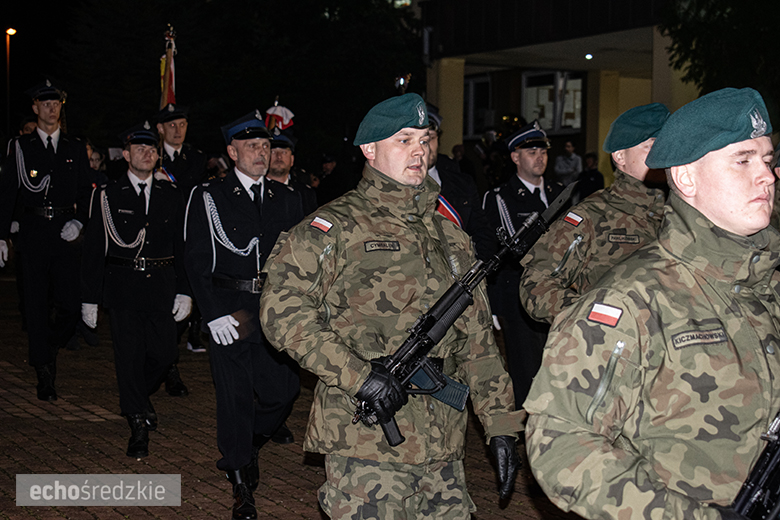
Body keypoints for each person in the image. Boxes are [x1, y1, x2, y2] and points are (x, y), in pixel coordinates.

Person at [259, 94, 523, 519]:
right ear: (369, 149)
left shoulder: (450, 236)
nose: (419, 150)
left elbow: (478, 342)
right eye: (404, 140)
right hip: (368, 443)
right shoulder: (334, 227)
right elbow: (282, 313)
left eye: (425, 139)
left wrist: (500, 425)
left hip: (443, 447)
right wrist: (359, 376)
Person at [525, 87, 777, 520]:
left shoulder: (765, 281)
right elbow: (562, 443)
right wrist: (583, 321)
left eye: (768, 160)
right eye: (743, 160)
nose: (768, 176)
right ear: (686, 178)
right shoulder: (623, 296)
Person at [184, 110, 304, 520]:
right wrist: (211, 313)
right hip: (230, 309)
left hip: (273, 309)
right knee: (234, 397)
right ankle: (238, 479)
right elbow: (198, 257)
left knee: (283, 391)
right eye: (252, 146)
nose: (261, 153)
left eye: (266, 146)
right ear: (232, 152)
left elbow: (301, 259)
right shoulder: (209, 195)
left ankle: (250, 441)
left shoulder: (287, 198)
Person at [81, 121, 191, 458]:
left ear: (157, 157)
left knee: (164, 354)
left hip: (161, 285)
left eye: (151, 149)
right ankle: (138, 421)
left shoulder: (172, 195)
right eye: (139, 149)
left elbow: (182, 246)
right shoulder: (108, 195)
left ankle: (137, 398)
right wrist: (89, 297)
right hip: (123, 287)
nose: (147, 153)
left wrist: (185, 290)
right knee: (128, 356)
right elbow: (94, 249)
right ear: (126, 155)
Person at [519, 103, 670, 324]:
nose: (663, 155)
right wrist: (600, 318)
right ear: (620, 156)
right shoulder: (592, 216)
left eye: (668, 147)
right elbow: (536, 287)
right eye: (652, 146)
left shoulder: (683, 213)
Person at [0, 80, 93, 401]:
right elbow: (8, 189)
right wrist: (2, 232)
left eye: (57, 104)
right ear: (35, 108)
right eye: (46, 103)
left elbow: (85, 190)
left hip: (66, 231)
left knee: (69, 304)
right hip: (34, 230)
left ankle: (49, 345)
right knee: (36, 302)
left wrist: (80, 221)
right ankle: (44, 368)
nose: (52, 108)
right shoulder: (21, 147)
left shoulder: (73, 146)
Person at [482, 120, 564, 406]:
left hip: (561, 295)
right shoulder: (500, 199)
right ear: (515, 157)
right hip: (521, 299)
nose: (539, 157)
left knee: (559, 367)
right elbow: (490, 252)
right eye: (531, 152)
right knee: (527, 372)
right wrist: (492, 301)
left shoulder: (560, 193)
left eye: (542, 151)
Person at [156, 103, 208, 393]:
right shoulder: (153, 156)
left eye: (183, 125)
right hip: (160, 239)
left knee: (183, 305)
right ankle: (166, 364)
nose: (178, 131)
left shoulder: (196, 158)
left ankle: (170, 364)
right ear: (161, 129)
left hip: (188, 237)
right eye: (172, 125)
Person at [426, 103, 493, 261]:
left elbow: (483, 234)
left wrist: (472, 273)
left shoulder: (462, 183)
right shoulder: (394, 185)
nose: (425, 147)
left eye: (430, 138)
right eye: (416, 140)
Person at [267, 129, 318, 215]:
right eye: (273, 152)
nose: (279, 156)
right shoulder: (256, 191)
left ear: (292, 160)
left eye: (284, 152)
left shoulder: (305, 194)